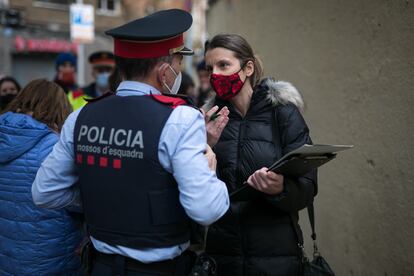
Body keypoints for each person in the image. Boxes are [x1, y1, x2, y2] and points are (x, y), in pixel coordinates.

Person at [32, 9, 229, 275]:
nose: (180, 69)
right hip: (159, 270)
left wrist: (101, 194)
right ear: (163, 71)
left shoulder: (81, 116)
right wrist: (209, 168)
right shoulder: (181, 118)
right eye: (178, 62)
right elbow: (206, 210)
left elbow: (44, 192)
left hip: (99, 266)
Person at [203, 34, 318, 275]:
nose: (216, 74)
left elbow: (308, 188)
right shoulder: (208, 119)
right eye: (210, 68)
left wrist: (280, 189)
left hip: (276, 257)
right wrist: (205, 144)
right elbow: (195, 190)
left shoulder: (283, 113)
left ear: (248, 68)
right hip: (222, 256)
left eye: (223, 65)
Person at [0, 79, 83, 275]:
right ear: (59, 107)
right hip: (52, 258)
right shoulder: (54, 147)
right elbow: (77, 202)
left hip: (7, 255)